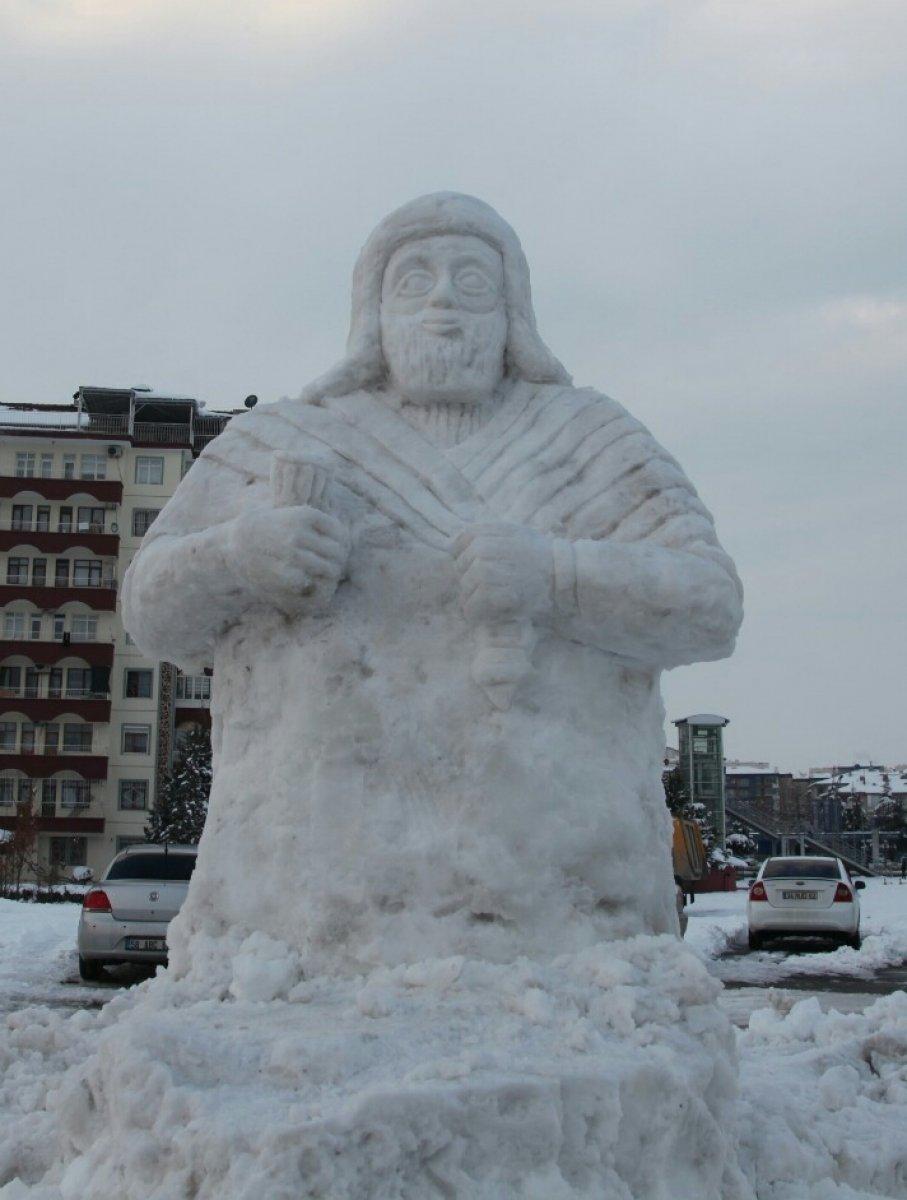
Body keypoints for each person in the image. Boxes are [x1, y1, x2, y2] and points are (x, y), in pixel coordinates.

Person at [122, 192, 743, 977]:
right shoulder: (278, 439)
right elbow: (149, 610)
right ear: (372, 311)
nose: (443, 302)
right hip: (306, 920)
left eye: (472, 283)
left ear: (512, 312)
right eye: (414, 281)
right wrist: (238, 556)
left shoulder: (592, 440)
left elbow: (710, 604)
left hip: (551, 923)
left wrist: (557, 575)